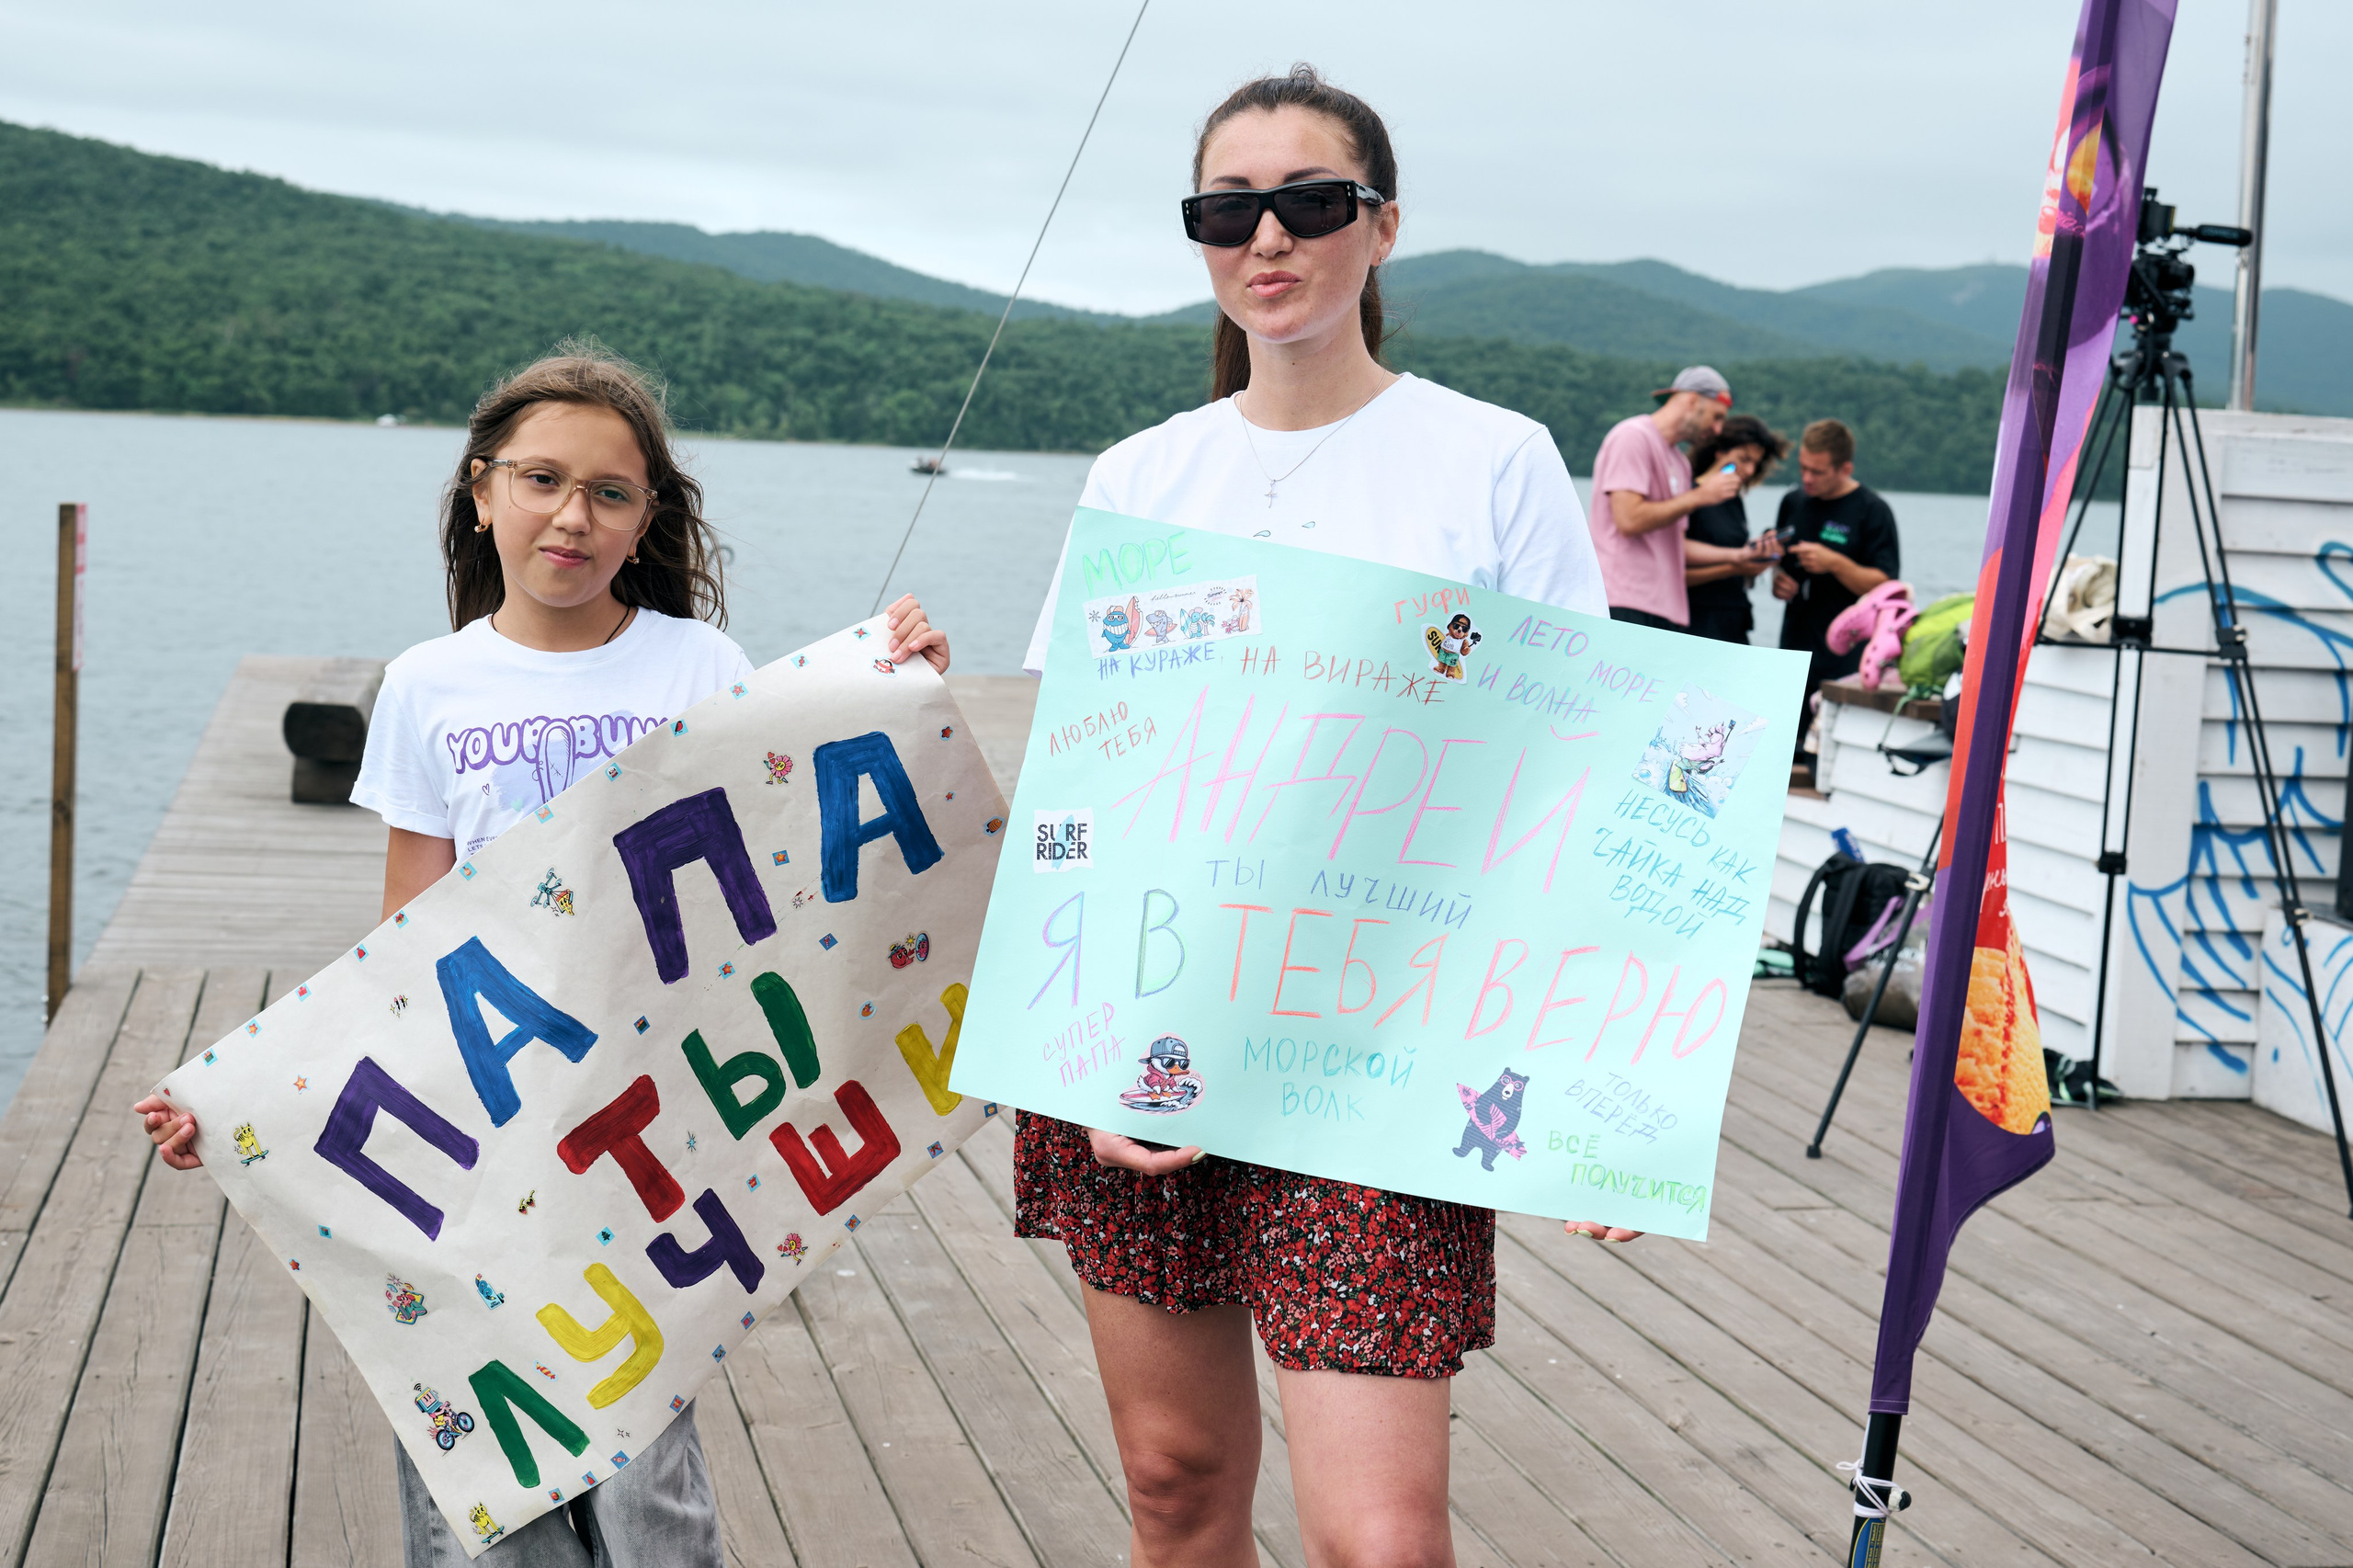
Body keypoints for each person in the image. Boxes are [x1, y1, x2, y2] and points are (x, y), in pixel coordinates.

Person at [131, 344, 949, 1568]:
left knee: (644, 1479)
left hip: (650, 1132)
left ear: (645, 520)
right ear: (481, 491)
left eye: (609, 493)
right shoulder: (427, 685)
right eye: (542, 479)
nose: (572, 514)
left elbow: (788, 861)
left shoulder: (699, 668)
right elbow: (400, 949)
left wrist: (895, 692)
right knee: (482, 1469)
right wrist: (250, 1102)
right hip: (479, 1132)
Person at [1018, 65, 1633, 1568]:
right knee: (1175, 1483)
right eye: (1228, 208)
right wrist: (1100, 1044)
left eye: (1309, 201)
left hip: (1383, 1039)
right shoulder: (1141, 476)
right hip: (1158, 1031)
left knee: (1381, 1538)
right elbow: (1079, 786)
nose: (1268, 237)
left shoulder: (1489, 459)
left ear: (1383, 227)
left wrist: (1613, 1086)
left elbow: (1583, 765)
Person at [1586, 366, 1767, 630]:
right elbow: (1628, 519)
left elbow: (1677, 545)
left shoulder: (1680, 464)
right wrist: (1699, 496)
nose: (1718, 430)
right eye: (1716, 417)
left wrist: (1739, 556)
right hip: (1624, 600)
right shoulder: (1632, 436)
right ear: (1692, 400)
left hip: (1668, 610)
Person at [1772, 418, 1900, 766]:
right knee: (1784, 749)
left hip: (1847, 655)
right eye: (1802, 468)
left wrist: (1835, 563)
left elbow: (1888, 589)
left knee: (1829, 753)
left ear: (1845, 468)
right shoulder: (1792, 502)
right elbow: (1782, 565)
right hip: (1795, 647)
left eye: (1817, 471)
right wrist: (1779, 582)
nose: (1807, 479)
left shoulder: (1872, 510)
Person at [1682, 415, 1790, 643]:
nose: (1750, 470)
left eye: (1755, 463)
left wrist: (1755, 561)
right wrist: (1734, 565)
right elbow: (1675, 574)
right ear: (1720, 451)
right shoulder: (1689, 495)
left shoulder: (1732, 500)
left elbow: (1737, 562)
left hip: (1733, 621)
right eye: (1744, 459)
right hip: (1697, 624)